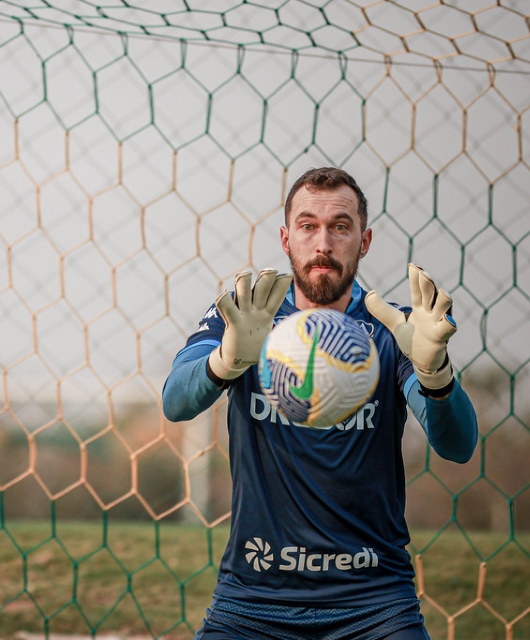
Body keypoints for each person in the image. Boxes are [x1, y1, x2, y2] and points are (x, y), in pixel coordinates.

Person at [161, 167, 478, 639]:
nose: (323, 244)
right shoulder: (248, 315)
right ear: (287, 239)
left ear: (364, 241)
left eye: (340, 227)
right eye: (308, 226)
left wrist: (435, 374)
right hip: (252, 601)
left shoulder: (395, 328)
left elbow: (457, 444)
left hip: (374, 603)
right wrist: (227, 361)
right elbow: (175, 401)